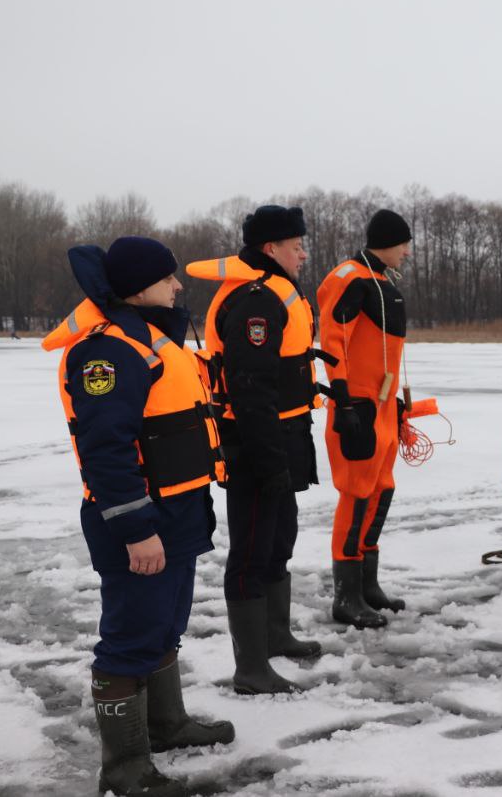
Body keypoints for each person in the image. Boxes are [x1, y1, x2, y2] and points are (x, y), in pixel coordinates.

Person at [42, 237, 233, 797]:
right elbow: (107, 450)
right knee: (130, 636)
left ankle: (166, 726)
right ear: (139, 287)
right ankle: (125, 769)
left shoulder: (153, 342)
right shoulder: (107, 352)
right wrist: (136, 529)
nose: (178, 286)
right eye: (168, 277)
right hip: (139, 523)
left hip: (177, 516)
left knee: (165, 625)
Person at [186, 205, 323, 694]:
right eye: (296, 245)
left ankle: (275, 634)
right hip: (255, 441)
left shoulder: (275, 290)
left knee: (280, 535)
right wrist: (267, 461)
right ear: (271, 248)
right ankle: (250, 668)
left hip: (283, 434)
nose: (304, 253)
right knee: (251, 548)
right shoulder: (256, 300)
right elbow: (249, 388)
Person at [316, 209, 416, 629]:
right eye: (404, 244)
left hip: (383, 408)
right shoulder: (350, 278)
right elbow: (333, 339)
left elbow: (384, 353)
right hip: (357, 407)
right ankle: (346, 596)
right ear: (388, 242)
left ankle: (366, 585)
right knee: (356, 495)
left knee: (381, 491)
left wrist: (397, 404)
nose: (408, 253)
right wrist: (342, 397)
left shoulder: (381, 282)